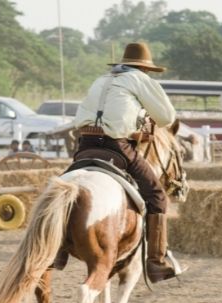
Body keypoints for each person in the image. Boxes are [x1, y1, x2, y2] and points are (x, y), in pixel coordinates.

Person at [73, 42, 178, 283]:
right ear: (144, 68)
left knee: (67, 184)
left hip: (86, 144)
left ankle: (58, 251)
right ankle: (155, 262)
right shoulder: (140, 80)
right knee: (157, 195)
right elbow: (167, 117)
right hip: (115, 145)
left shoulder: (101, 80)